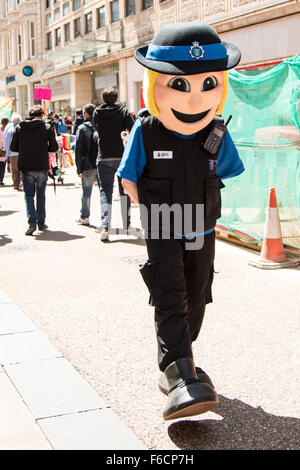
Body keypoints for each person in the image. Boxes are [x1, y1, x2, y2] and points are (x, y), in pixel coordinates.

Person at [117, 22, 245, 420]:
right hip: (163, 227)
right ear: (154, 84)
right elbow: (128, 178)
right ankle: (179, 373)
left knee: (198, 292)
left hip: (203, 227)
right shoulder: (147, 129)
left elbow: (225, 172)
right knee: (171, 292)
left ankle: (180, 361)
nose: (193, 101)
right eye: (178, 85)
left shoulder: (217, 133)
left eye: (208, 84)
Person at [93, 87, 134, 241]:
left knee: (105, 193)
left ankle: (105, 227)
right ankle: (127, 224)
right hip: (122, 156)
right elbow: (133, 128)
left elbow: (98, 129)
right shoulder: (123, 111)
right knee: (125, 191)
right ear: (117, 99)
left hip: (103, 156)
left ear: (103, 99)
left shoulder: (97, 112)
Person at [10, 104, 58, 235]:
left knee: (29, 195)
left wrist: (25, 148)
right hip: (41, 165)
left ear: (30, 115)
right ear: (42, 115)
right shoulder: (47, 127)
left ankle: (32, 223)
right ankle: (41, 223)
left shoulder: (20, 127)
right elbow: (54, 148)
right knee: (41, 195)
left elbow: (13, 148)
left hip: (26, 166)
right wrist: (43, 149)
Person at [75, 103, 100, 225]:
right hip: (101, 164)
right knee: (105, 193)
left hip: (87, 165)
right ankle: (105, 219)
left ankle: (84, 217)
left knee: (86, 192)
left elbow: (78, 150)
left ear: (86, 113)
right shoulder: (101, 126)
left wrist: (79, 168)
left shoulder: (82, 128)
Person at [3, 113, 21, 190]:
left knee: (14, 169)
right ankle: (20, 182)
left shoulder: (10, 130)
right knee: (20, 168)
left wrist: (5, 154)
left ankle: (16, 184)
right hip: (21, 152)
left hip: (12, 152)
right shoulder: (22, 129)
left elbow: (7, 143)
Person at [0, 117, 9, 185]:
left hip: (2, 150)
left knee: (3, 166)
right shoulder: (7, 131)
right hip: (4, 150)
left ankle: (1, 180)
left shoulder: (6, 130)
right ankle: (1, 180)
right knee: (3, 166)